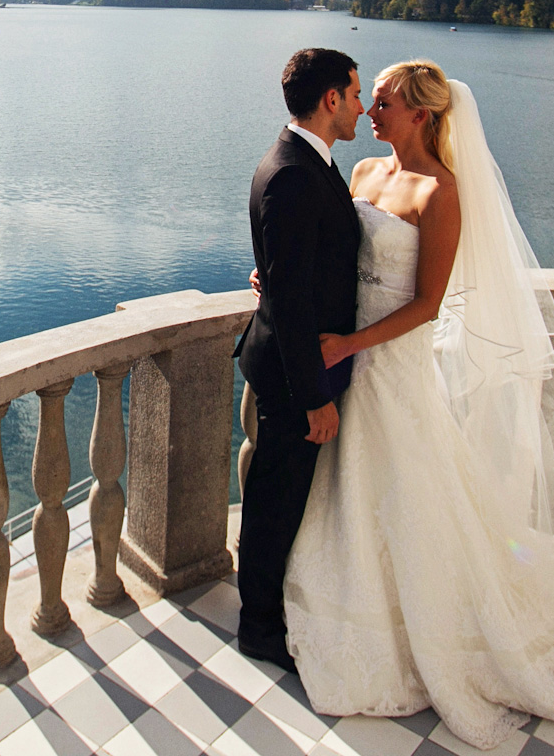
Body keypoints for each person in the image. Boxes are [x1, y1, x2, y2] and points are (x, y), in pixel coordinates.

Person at [273, 60, 554, 750]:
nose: (372, 111)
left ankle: (430, 621)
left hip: (390, 364)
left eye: (385, 102)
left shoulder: (444, 193)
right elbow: (329, 255)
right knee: (352, 489)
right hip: (348, 362)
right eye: (371, 100)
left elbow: (428, 306)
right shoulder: (361, 174)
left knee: (410, 489)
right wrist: (275, 278)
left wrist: (350, 345)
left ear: (420, 116)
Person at [234, 48, 365, 672]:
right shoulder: (292, 173)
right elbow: (288, 299)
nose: (363, 107)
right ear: (331, 99)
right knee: (274, 500)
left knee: (280, 494)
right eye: (356, 94)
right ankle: (258, 627)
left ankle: (270, 608)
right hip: (294, 378)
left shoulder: (310, 162)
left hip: (298, 366)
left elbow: (294, 270)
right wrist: (314, 396)